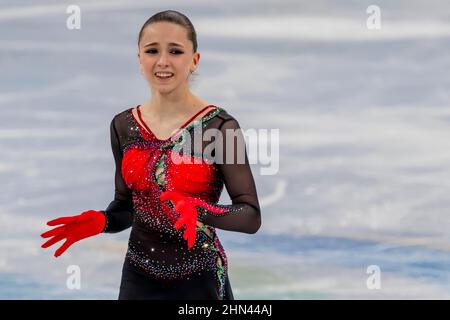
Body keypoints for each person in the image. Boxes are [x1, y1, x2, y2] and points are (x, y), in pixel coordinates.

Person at [40, 10, 261, 300]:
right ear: (139, 59)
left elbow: (250, 215)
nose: (163, 61)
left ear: (194, 60)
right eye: (152, 50)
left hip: (199, 280)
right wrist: (103, 221)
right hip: (138, 277)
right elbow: (127, 207)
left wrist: (200, 211)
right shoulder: (123, 125)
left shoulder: (219, 127)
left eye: (176, 51)